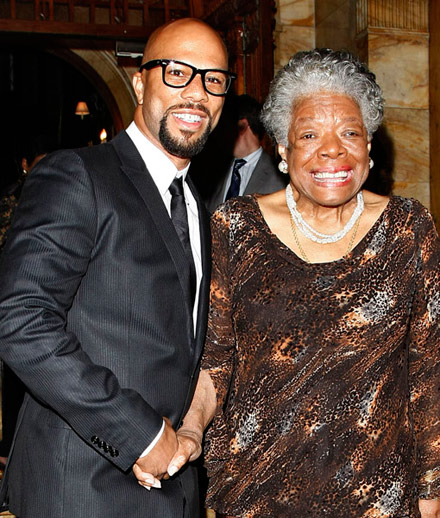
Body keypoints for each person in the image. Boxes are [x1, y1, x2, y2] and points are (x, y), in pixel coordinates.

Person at [162, 49, 440, 517]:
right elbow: (213, 362)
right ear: (284, 152)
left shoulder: (409, 229)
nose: (332, 149)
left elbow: (429, 373)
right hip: (256, 496)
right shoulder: (236, 228)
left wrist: (430, 496)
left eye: (350, 132)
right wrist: (190, 429)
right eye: (309, 134)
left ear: (369, 147)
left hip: (378, 500)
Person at [0, 17, 234, 518]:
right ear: (139, 81)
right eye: (177, 72)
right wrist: (139, 434)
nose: (197, 92)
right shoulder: (77, 175)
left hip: (173, 492)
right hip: (79, 491)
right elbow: (20, 321)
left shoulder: (197, 205)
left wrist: (188, 431)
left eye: (213, 79)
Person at [204, 94, 287, 213]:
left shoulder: (280, 177)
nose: (217, 132)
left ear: (241, 126)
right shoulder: (212, 172)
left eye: (224, 125)